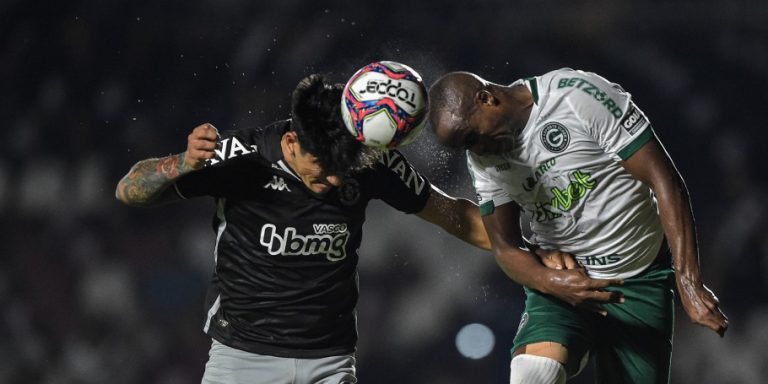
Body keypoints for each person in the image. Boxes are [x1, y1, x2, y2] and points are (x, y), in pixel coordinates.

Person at [115, 74, 492, 384]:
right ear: (292, 142)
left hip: (330, 362)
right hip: (243, 358)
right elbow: (129, 191)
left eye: (340, 170)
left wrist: (529, 250)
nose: (331, 180)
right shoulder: (240, 158)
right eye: (322, 168)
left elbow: (452, 214)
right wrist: (182, 162)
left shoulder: (369, 160)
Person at [428, 68, 729, 384]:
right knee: (533, 375)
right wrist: (549, 280)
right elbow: (504, 245)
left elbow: (664, 179)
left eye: (471, 137)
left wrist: (688, 281)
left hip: (640, 279)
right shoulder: (483, 159)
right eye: (465, 146)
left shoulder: (575, 96)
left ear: (487, 98)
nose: (475, 150)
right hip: (564, 282)